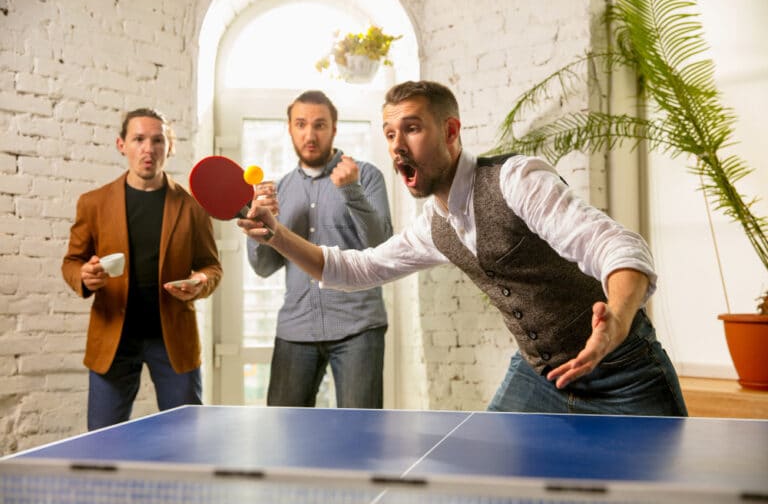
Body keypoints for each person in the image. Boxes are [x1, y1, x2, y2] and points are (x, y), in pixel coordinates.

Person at [238, 80, 688, 416]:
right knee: (482, 484)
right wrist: (275, 232)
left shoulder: (516, 180)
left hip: (625, 374)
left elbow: (617, 245)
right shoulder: (435, 225)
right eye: (390, 134)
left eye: (411, 129)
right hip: (540, 376)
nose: (397, 146)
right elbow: (354, 269)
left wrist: (618, 320)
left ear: (451, 131)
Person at [62, 108, 223, 430]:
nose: (148, 148)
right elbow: (73, 261)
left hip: (173, 337)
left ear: (169, 146)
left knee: (187, 436)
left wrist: (200, 280)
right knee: (103, 440)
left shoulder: (192, 207)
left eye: (157, 140)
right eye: (138, 139)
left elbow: (211, 266)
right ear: (122, 145)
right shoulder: (93, 203)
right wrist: (83, 276)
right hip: (113, 337)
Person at [247, 90, 393, 408]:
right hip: (295, 330)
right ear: (289, 128)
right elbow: (263, 267)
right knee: (285, 436)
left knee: (359, 438)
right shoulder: (279, 189)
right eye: (301, 124)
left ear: (334, 129)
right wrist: (259, 228)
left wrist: (351, 191)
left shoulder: (365, 176)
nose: (309, 135)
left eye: (319, 125)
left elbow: (381, 250)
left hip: (358, 328)